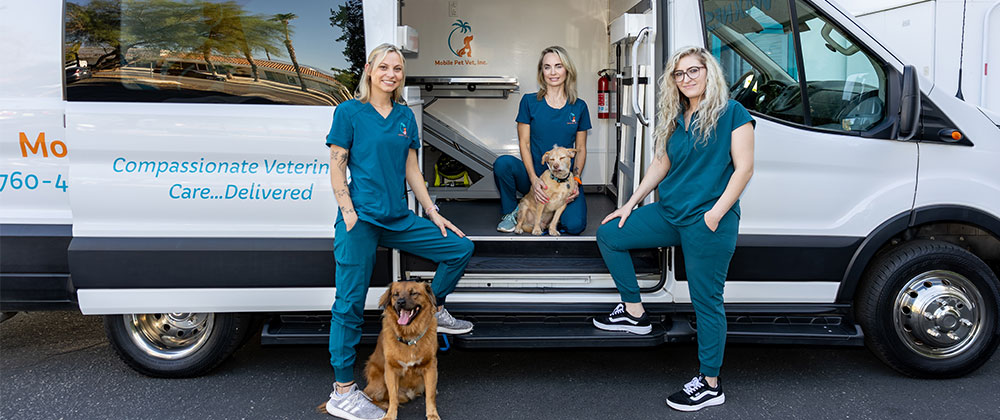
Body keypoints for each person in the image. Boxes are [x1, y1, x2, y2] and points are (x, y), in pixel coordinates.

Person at [592, 46, 755, 412]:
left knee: (706, 302)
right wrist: (630, 204)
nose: (686, 79)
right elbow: (660, 164)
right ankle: (634, 313)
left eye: (693, 71)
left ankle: (710, 383)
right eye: (679, 74)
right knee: (611, 234)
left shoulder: (733, 113)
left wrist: (714, 215)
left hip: (708, 221)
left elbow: (744, 169)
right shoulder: (676, 117)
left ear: (708, 72)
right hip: (669, 213)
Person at [323, 43, 475, 420]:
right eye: (385, 67)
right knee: (349, 305)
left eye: (398, 69)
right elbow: (337, 166)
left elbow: (412, 169)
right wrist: (349, 212)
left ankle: (434, 308)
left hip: (397, 217)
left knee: (459, 248)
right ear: (370, 69)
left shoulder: (406, 116)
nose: (391, 74)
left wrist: (432, 211)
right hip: (361, 219)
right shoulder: (350, 112)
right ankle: (343, 391)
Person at [493, 46, 591, 234]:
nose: (553, 72)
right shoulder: (529, 102)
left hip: (563, 180)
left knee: (575, 226)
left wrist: (576, 181)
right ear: (541, 72)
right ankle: (511, 214)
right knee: (503, 164)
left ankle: (550, 216)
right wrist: (533, 179)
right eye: (547, 67)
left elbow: (580, 148)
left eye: (558, 66)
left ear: (567, 70)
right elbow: (525, 143)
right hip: (534, 176)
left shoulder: (579, 106)